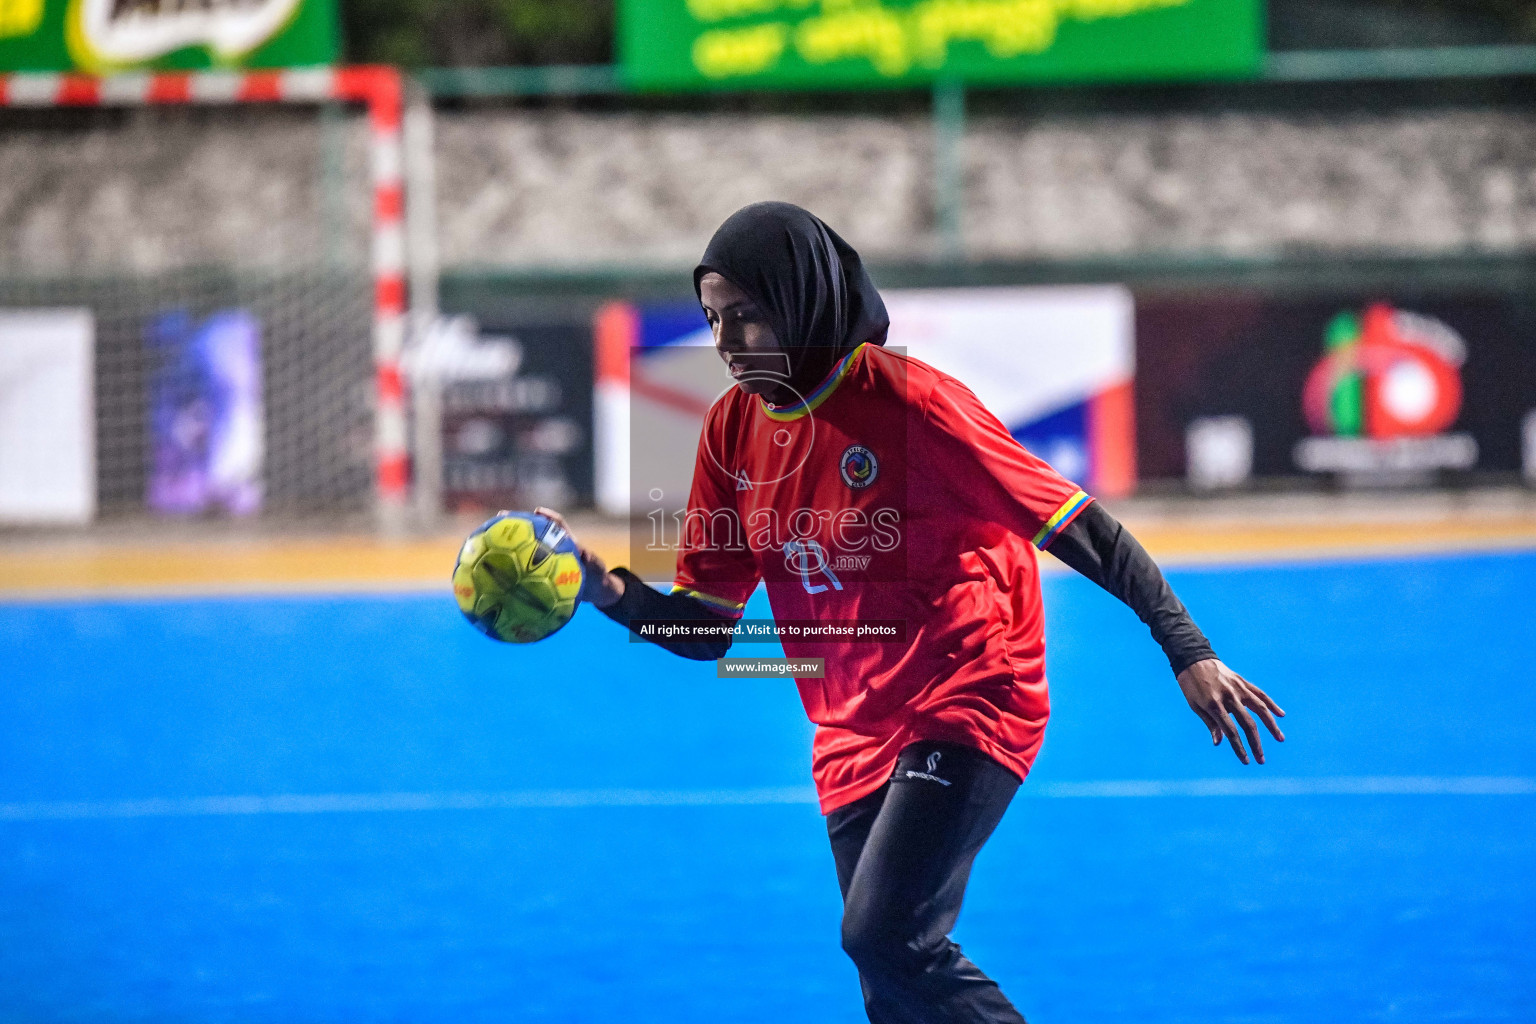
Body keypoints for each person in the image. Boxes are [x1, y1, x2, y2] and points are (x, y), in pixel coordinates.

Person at [538, 201, 1285, 1023]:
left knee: (882, 936)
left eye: (747, 317)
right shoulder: (730, 430)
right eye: (714, 319)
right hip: (849, 729)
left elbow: (1080, 526)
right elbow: (708, 628)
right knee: (893, 988)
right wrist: (605, 591)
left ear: (801, 301)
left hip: (973, 691)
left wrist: (1188, 648)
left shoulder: (912, 406)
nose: (724, 342)